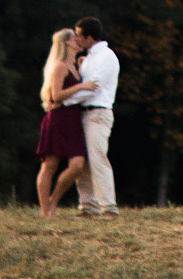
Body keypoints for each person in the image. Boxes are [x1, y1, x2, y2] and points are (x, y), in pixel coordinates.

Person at [34, 28, 97, 217]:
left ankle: (53, 200)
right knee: (49, 166)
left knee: (77, 165)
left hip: (73, 121)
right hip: (58, 119)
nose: (78, 39)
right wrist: (81, 85)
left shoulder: (74, 66)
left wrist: (81, 69)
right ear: (66, 43)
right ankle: (46, 211)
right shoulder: (60, 66)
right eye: (74, 37)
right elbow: (56, 95)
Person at [65, 16, 121, 217]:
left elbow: (92, 89)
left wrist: (63, 101)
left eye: (79, 35)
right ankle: (88, 205)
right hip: (84, 113)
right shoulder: (89, 58)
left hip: (98, 113)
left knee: (98, 159)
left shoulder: (106, 56)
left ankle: (109, 207)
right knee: (82, 162)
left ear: (89, 37)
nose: (76, 39)